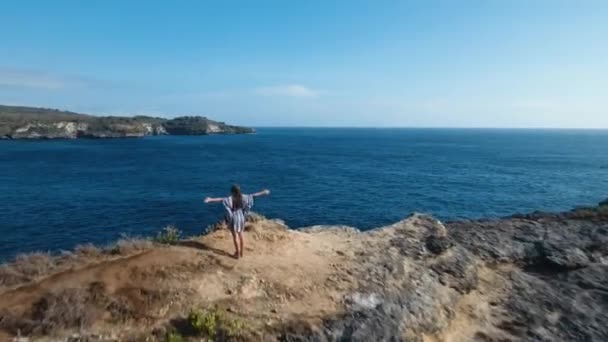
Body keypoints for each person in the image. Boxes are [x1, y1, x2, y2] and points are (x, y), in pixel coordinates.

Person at [204, 185, 270, 259]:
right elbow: (254, 195)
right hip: (241, 217)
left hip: (233, 218)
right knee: (241, 235)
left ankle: (237, 254)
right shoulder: (244, 197)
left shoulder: (229, 198)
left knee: (235, 236)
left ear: (232, 192)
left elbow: (220, 199)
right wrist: (264, 192)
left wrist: (210, 199)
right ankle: (241, 253)